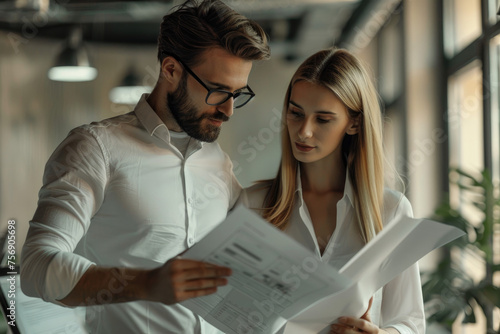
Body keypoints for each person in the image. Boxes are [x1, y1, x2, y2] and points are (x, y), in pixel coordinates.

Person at [20, 0, 270, 333]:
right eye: (217, 91)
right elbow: (36, 267)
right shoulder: (94, 148)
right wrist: (145, 284)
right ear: (170, 70)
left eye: (238, 94)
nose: (228, 110)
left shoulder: (217, 160)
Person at [244, 48, 425, 334]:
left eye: (323, 119)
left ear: (354, 123)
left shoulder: (390, 211)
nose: (303, 131)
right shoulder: (252, 206)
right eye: (296, 113)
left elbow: (411, 321)